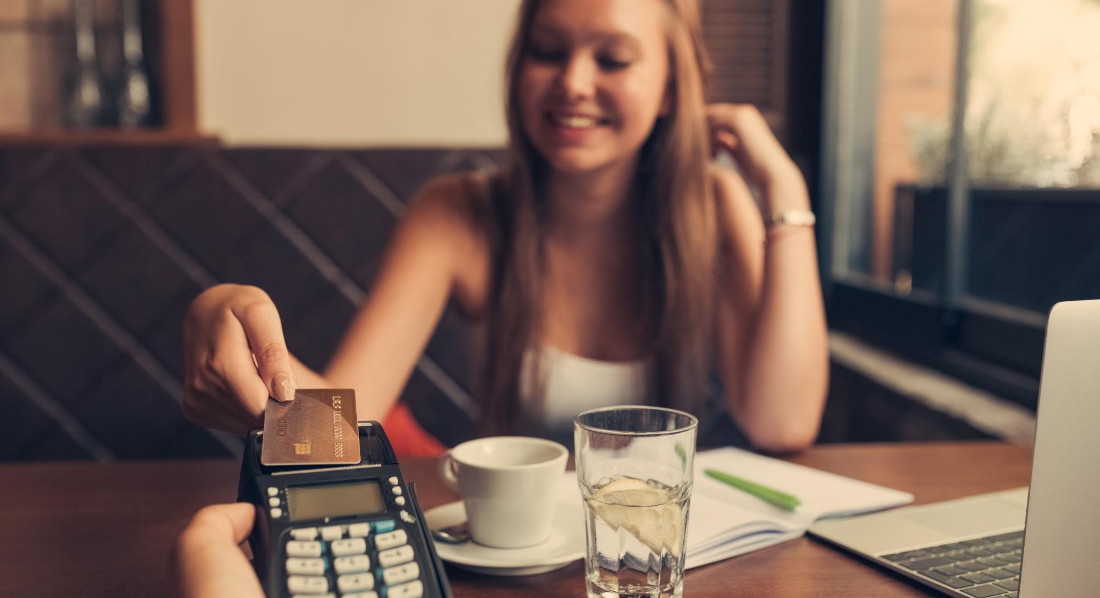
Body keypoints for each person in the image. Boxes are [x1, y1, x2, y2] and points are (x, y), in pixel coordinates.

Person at [182, 0, 828, 456]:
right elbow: (340, 430)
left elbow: (783, 423)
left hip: (654, 554)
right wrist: (234, 331)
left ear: (668, 90)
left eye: (613, 60)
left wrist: (784, 188)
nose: (574, 82)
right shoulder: (458, 213)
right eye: (548, 52)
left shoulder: (711, 205)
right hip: (511, 558)